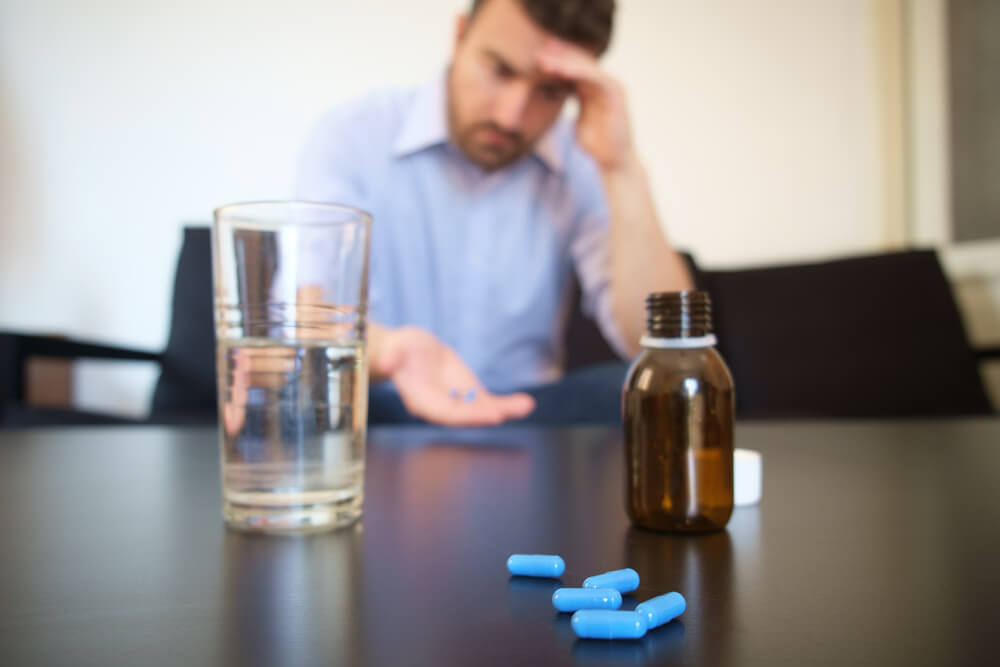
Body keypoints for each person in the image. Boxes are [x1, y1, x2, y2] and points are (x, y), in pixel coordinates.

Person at [296, 0, 692, 427]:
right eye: (501, 70)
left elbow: (667, 347)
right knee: (307, 402)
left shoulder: (584, 160)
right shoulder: (353, 135)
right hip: (386, 406)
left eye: (550, 91)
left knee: (645, 396)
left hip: (527, 413)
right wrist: (391, 353)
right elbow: (305, 319)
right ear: (460, 34)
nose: (511, 116)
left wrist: (622, 167)